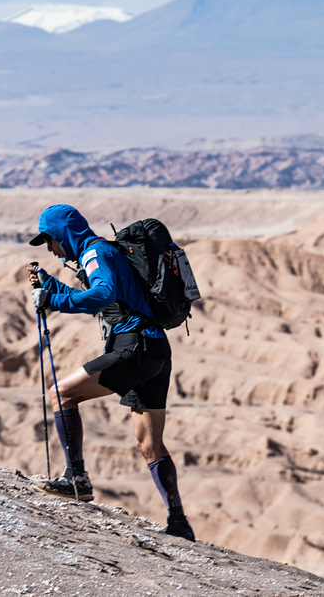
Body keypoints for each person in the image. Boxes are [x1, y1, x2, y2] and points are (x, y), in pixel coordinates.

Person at [28, 203, 195, 541]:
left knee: (61, 394)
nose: (50, 249)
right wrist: (51, 287)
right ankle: (179, 521)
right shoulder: (104, 252)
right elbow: (107, 299)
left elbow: (103, 294)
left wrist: (53, 301)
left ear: (63, 234)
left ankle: (76, 479)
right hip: (155, 350)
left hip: (133, 347)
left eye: (50, 240)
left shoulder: (94, 253)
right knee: (149, 443)